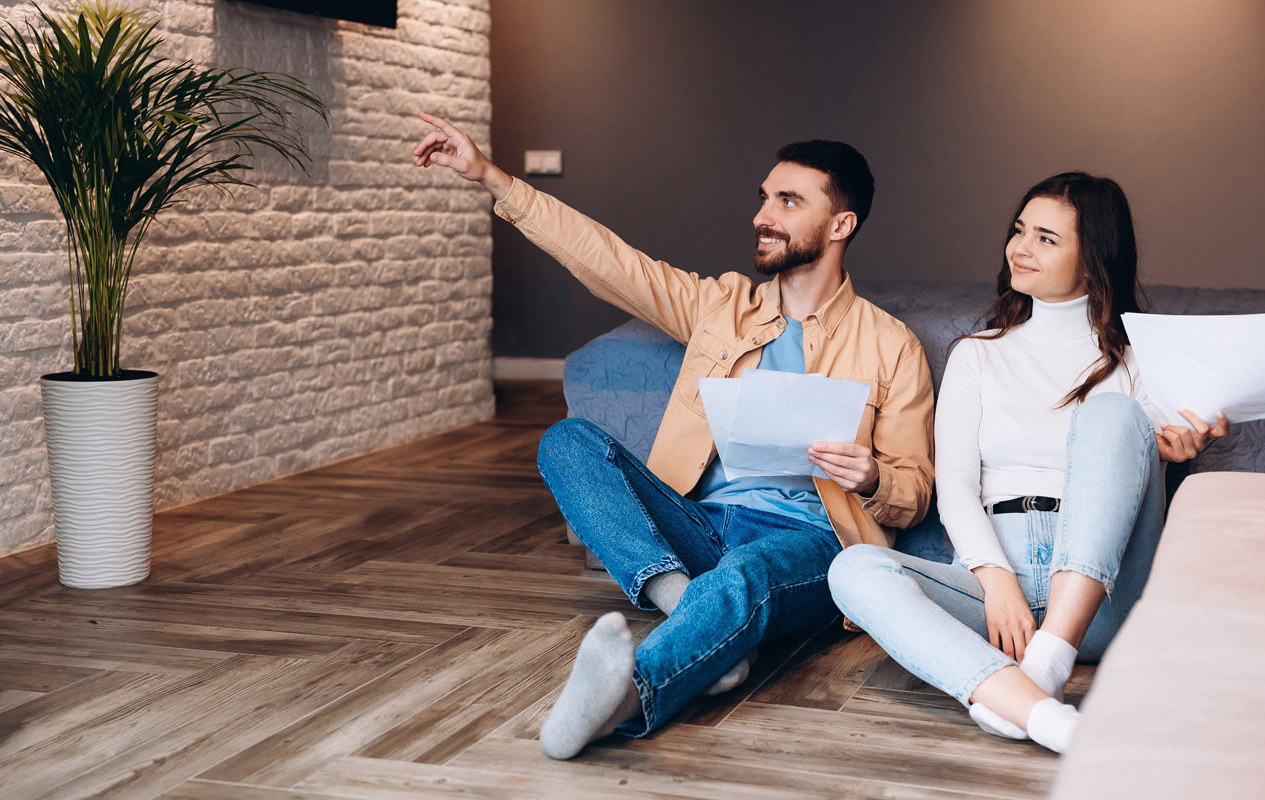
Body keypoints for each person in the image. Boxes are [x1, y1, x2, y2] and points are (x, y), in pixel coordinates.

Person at [413, 112, 935, 759]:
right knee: (567, 441)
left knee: (747, 571)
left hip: (812, 542)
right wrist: (490, 176)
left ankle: (630, 695)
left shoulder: (890, 345)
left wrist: (874, 476)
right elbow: (609, 260)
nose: (762, 214)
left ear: (840, 225)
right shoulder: (720, 305)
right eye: (765, 197)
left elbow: (913, 493)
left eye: (788, 201)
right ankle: (685, 602)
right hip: (700, 522)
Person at [827, 172, 1229, 754]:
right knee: (855, 570)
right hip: (999, 601)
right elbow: (957, 486)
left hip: (1107, 598)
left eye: (1046, 238)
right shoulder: (977, 355)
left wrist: (1175, 452)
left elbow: (1139, 478)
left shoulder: (1140, 360)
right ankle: (1042, 715)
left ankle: (1049, 658)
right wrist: (996, 581)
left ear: (1092, 260)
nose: (1020, 247)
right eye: (1020, 231)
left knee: (1113, 414)